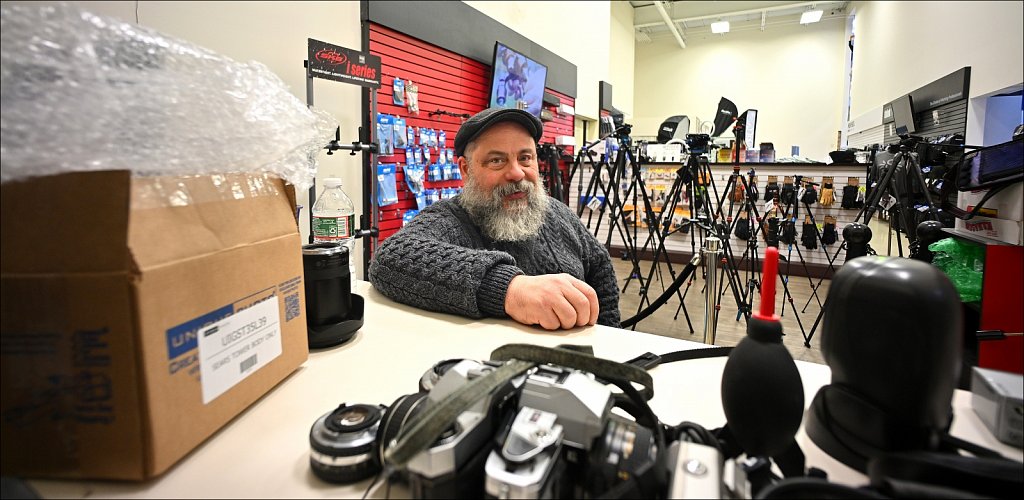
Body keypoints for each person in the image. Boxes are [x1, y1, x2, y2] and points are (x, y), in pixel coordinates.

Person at [368, 107, 620, 330]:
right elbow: (390, 257)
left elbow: (600, 267)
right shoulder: (451, 219)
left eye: (525, 158)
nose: (516, 172)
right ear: (466, 170)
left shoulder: (557, 211)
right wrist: (510, 289)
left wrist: (610, 342)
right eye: (497, 160)